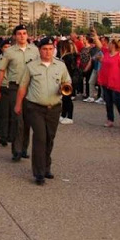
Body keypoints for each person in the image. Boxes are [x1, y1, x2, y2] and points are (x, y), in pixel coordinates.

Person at [14, 37, 71, 185]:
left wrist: (64, 87)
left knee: (49, 138)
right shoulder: (31, 66)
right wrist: (18, 105)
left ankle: (46, 167)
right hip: (35, 107)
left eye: (50, 49)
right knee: (40, 137)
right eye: (45, 49)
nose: (48, 52)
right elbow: (23, 87)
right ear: (39, 50)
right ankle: (39, 173)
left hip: (54, 107)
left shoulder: (60, 66)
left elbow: (67, 82)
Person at [0, 25, 39, 160]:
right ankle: (16, 150)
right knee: (17, 119)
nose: (22, 36)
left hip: (31, 88)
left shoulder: (35, 50)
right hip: (15, 87)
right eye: (19, 33)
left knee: (27, 120)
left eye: (24, 33)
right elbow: (2, 70)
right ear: (15, 36)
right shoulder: (9, 52)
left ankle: (24, 148)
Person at [92, 29, 120, 128]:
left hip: (116, 82)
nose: (108, 45)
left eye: (109, 44)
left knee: (117, 101)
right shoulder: (106, 52)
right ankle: (110, 119)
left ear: (113, 45)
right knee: (108, 101)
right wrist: (95, 35)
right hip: (106, 81)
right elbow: (99, 45)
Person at [58, 40, 78, 124]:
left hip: (69, 80)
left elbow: (70, 70)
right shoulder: (67, 56)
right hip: (66, 79)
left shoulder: (68, 57)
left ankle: (70, 117)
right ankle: (63, 114)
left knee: (67, 99)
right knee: (65, 99)